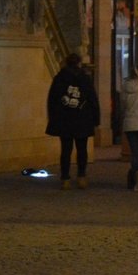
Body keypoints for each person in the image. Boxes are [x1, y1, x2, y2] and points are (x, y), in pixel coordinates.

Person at [45, 53, 100, 190]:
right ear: (79, 63)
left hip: (65, 119)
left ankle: (65, 178)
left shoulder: (59, 78)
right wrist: (96, 118)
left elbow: (52, 100)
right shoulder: (85, 79)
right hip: (82, 119)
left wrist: (53, 118)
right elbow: (93, 99)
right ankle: (81, 176)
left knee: (66, 150)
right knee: (82, 149)